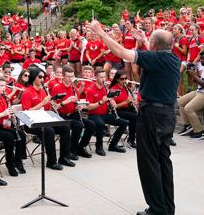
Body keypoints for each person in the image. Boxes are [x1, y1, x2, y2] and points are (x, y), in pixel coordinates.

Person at [89, 20, 179, 215]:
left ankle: (156, 208)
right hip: (167, 115)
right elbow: (157, 53)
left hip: (152, 115)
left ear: (154, 46)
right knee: (163, 160)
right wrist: (145, 40)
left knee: (149, 162)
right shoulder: (173, 59)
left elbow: (122, 53)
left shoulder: (154, 59)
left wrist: (101, 33)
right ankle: (167, 207)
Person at [20, 66, 74, 170]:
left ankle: (64, 157)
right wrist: (43, 103)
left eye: (43, 77)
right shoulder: (27, 92)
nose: (42, 79)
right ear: (33, 77)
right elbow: (26, 112)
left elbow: (47, 108)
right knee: (49, 131)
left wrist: (52, 104)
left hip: (43, 119)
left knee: (65, 127)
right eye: (40, 77)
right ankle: (51, 161)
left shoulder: (43, 91)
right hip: (32, 122)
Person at [0, 77, 27, 176]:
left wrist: (10, 115)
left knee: (22, 135)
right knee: (9, 137)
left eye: (5, 85)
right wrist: (3, 114)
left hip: (4, 125)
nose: (4, 88)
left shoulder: (4, 98)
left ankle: (18, 160)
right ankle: (10, 163)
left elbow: (6, 114)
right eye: (1, 86)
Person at [52, 65, 95, 158]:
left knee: (91, 124)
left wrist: (78, 107)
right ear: (63, 76)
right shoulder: (57, 88)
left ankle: (80, 147)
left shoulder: (74, 88)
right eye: (68, 76)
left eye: (72, 76)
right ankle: (71, 150)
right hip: (61, 115)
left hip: (73, 114)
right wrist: (66, 101)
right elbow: (53, 108)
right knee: (78, 125)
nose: (71, 79)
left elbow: (75, 104)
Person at [178, 51, 204, 140]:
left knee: (189, 108)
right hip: (201, 91)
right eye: (200, 58)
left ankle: (200, 132)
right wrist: (194, 75)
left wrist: (194, 76)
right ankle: (188, 125)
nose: (201, 61)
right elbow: (201, 82)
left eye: (203, 58)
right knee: (180, 101)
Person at [85, 68, 128, 156]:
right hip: (93, 115)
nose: (103, 79)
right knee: (100, 124)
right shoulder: (90, 89)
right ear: (96, 77)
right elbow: (89, 107)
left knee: (124, 123)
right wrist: (101, 101)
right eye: (101, 77)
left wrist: (111, 102)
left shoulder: (105, 88)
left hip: (104, 114)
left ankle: (113, 145)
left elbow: (108, 101)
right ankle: (99, 146)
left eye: (104, 77)